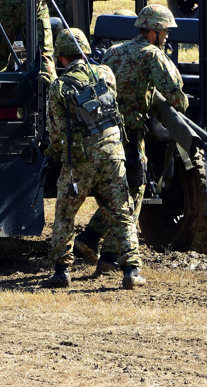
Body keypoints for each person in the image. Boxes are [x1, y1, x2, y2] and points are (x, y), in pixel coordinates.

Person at [73, 5, 188, 273]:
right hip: (132, 136)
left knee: (117, 192)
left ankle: (92, 240)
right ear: (154, 31)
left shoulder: (114, 52)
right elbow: (176, 96)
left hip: (105, 132)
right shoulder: (153, 56)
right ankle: (109, 254)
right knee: (132, 193)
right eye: (166, 31)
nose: (168, 36)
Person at [42, 28, 145, 290]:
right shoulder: (106, 74)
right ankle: (131, 271)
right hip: (113, 155)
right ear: (86, 51)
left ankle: (62, 272)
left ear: (61, 58)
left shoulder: (58, 87)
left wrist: (56, 155)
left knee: (65, 215)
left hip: (80, 161)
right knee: (122, 212)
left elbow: (55, 132)